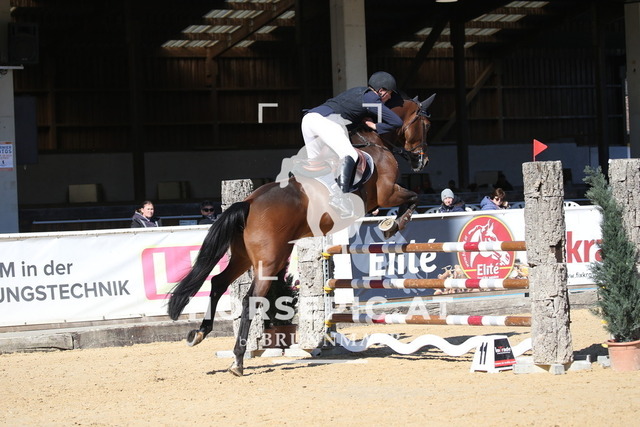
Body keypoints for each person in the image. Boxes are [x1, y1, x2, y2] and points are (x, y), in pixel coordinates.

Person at [300, 71, 403, 218]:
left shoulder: (357, 92)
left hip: (308, 120)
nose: (390, 97)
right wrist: (375, 126)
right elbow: (397, 122)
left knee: (317, 165)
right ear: (381, 90)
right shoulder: (371, 98)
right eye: (390, 93)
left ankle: (307, 194)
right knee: (350, 155)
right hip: (325, 122)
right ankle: (339, 198)